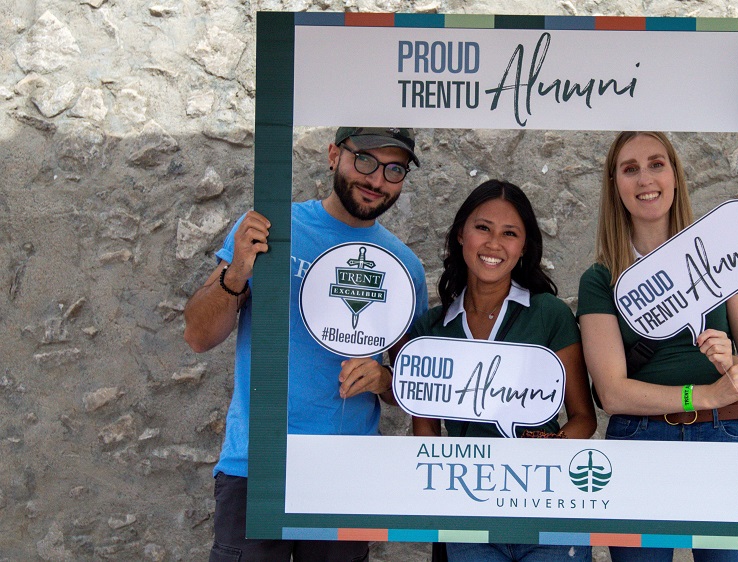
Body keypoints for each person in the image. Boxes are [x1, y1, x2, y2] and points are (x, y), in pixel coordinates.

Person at [183, 127, 429, 562]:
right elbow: (199, 336)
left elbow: (414, 389)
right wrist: (237, 270)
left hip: (344, 475)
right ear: (334, 154)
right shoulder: (270, 230)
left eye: (394, 169)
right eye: (366, 160)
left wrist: (383, 377)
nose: (376, 180)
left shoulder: (404, 267)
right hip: (257, 464)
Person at [576, 132, 738, 562]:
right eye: (630, 168)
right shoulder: (600, 279)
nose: (645, 178)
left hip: (727, 435)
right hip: (640, 443)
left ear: (674, 175)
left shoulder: (723, 255)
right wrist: (705, 393)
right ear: (615, 183)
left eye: (656, 163)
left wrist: (732, 362)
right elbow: (611, 393)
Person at [411, 179, 597, 562]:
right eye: (483, 228)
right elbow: (425, 431)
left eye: (509, 233)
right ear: (461, 234)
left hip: (547, 510)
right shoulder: (432, 328)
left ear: (523, 246)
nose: (494, 243)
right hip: (468, 513)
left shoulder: (550, 314)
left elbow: (583, 418)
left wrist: (551, 449)